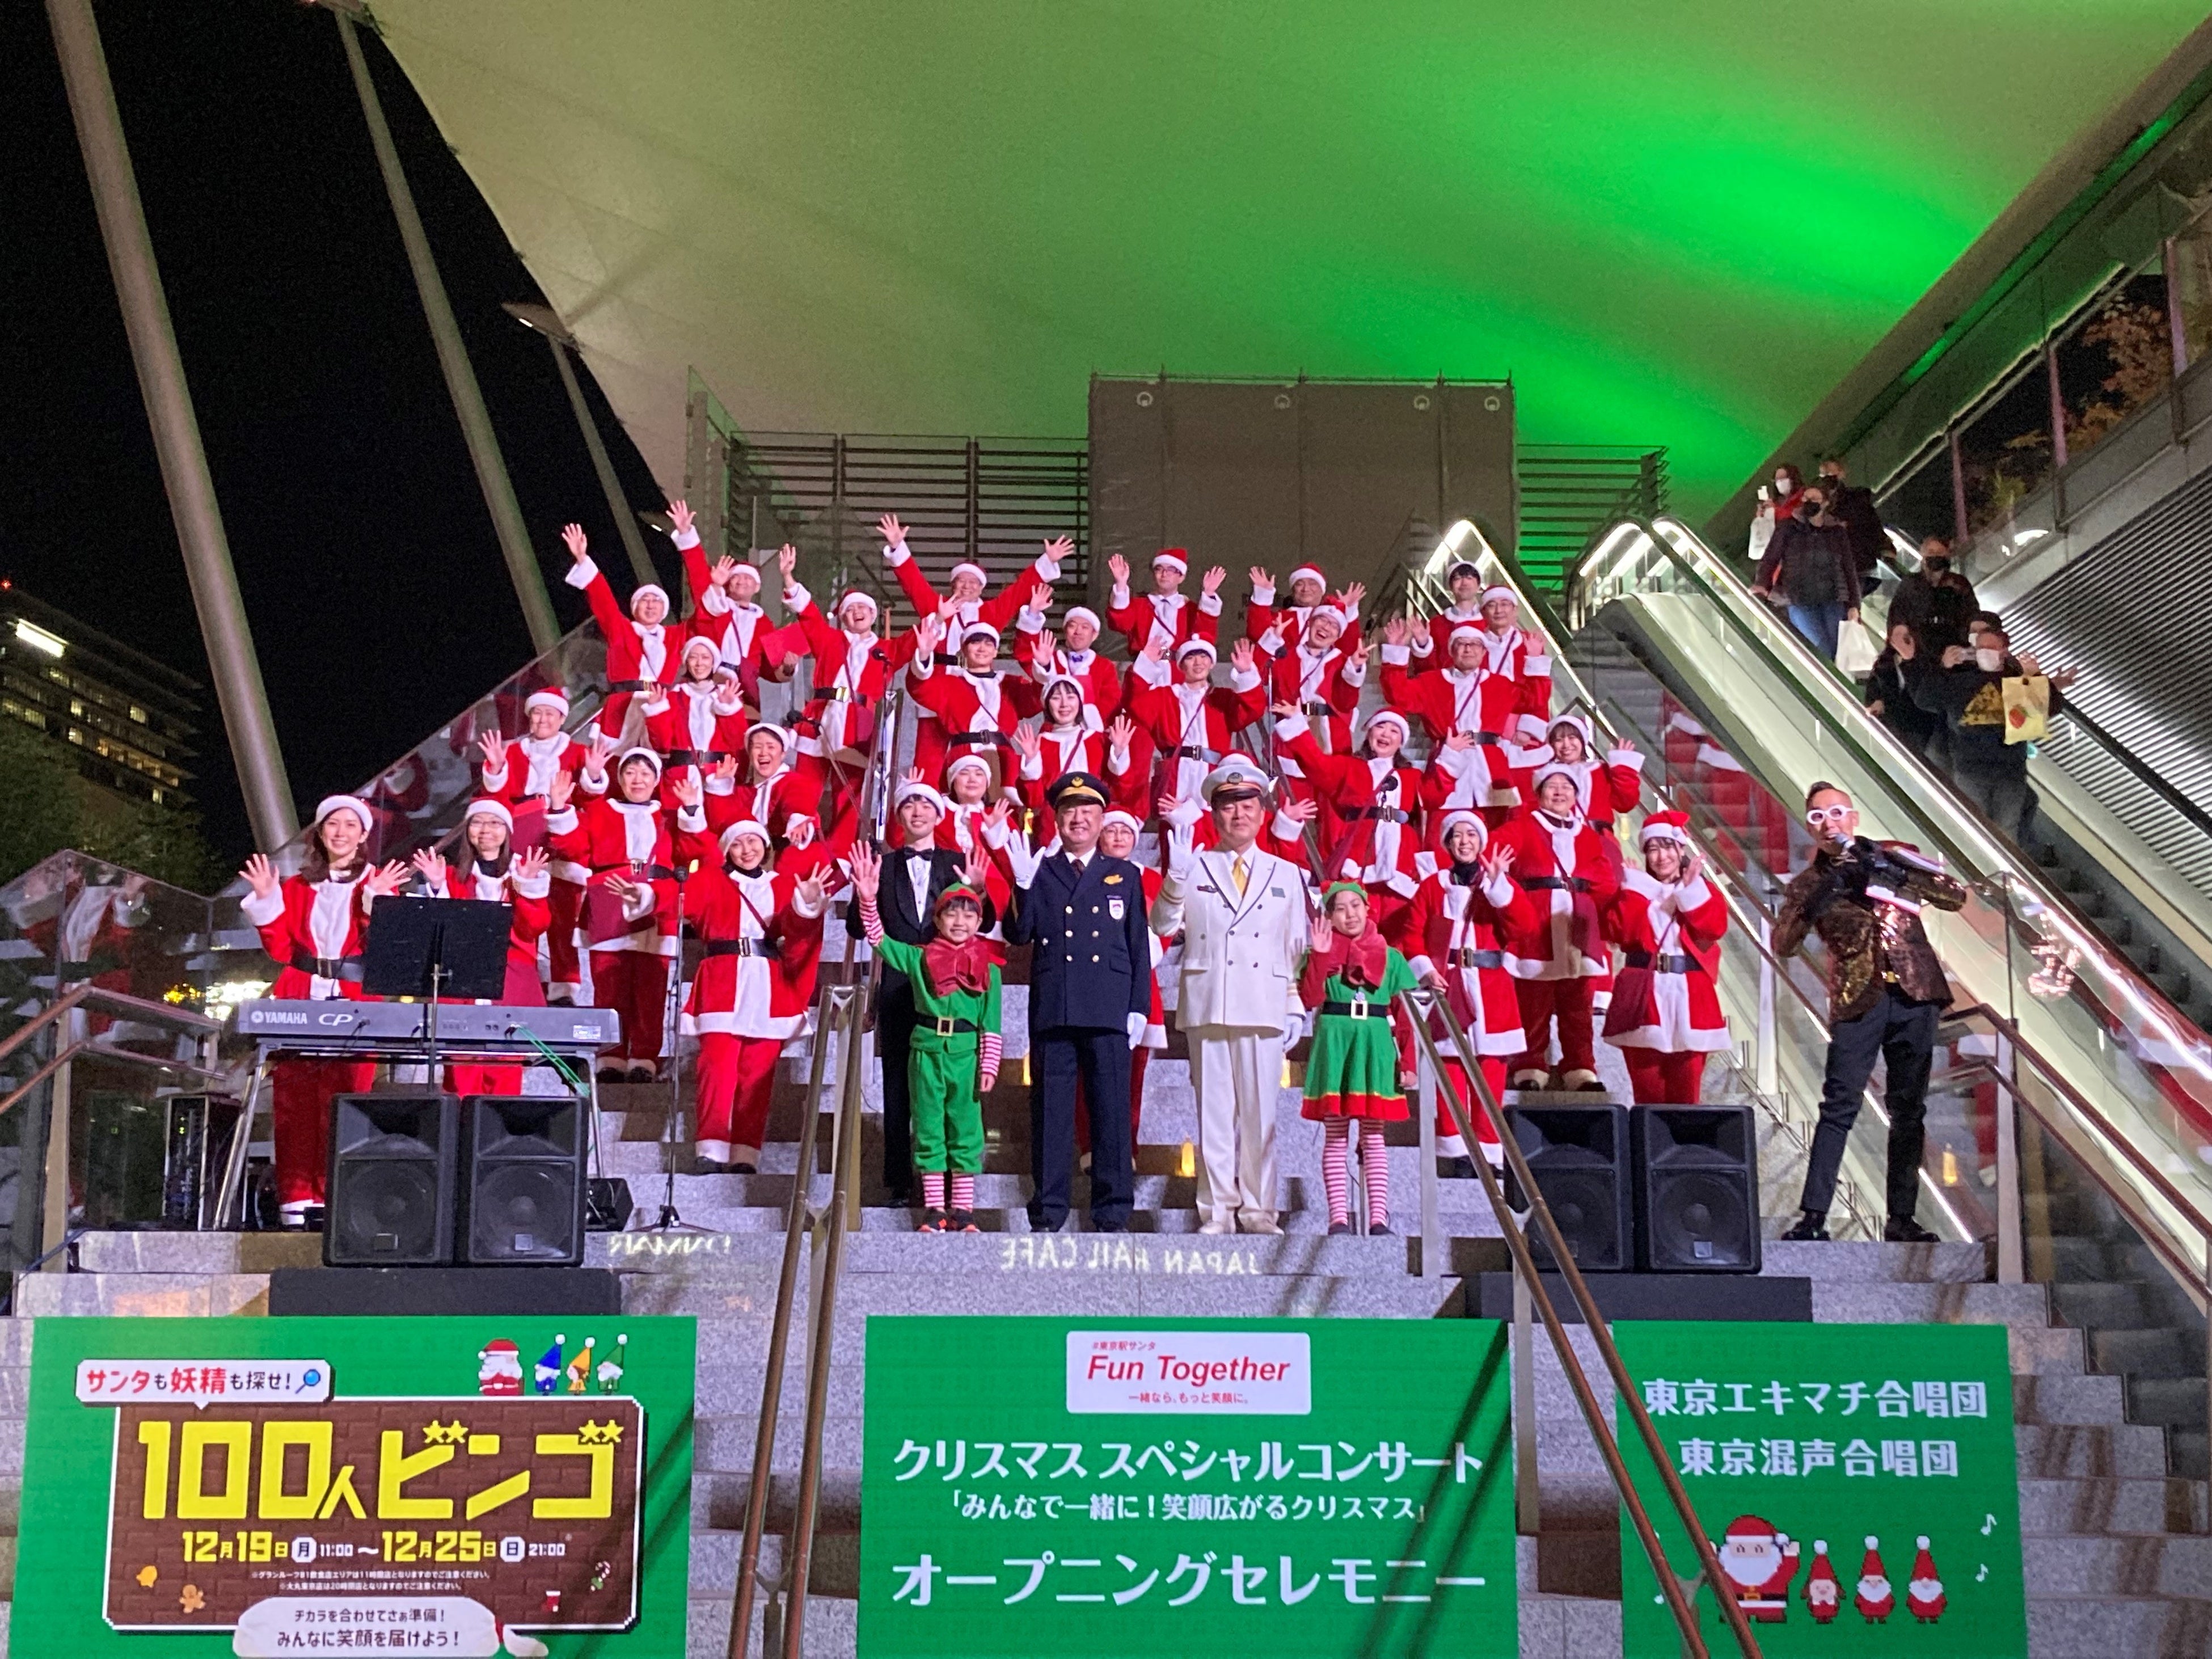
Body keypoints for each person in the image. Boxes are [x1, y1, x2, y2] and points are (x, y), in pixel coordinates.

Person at [1774, 783, 1966, 1243]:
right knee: (1840, 1104)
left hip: (1915, 992)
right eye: (1818, 816)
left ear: (1854, 817)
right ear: (1810, 827)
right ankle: (1814, 1215)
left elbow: (1953, 896)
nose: (1830, 823)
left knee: (1909, 1108)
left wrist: (1886, 866)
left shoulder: (1892, 855)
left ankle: (1902, 1218)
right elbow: (1784, 943)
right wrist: (1824, 892)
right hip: (1859, 998)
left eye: (1837, 812)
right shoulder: (1808, 882)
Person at [1151, 757, 1307, 1235]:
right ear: (1214, 812)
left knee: (1261, 1117)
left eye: (1247, 804)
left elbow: (1295, 947)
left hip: (1263, 1001)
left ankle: (1259, 1210)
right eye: (1228, 805)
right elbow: (1161, 925)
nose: (1238, 814)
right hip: (1210, 999)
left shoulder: (1286, 872)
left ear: (1262, 811)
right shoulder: (1194, 864)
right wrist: (1175, 880)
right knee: (1214, 1115)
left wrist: (1294, 1004)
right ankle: (1217, 1210)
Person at [238, 796, 407, 1226]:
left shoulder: (376, 882)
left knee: (346, 1103)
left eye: (351, 825)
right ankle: (296, 1201)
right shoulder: (297, 886)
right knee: (293, 1104)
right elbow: (280, 950)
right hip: (300, 995)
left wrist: (377, 902)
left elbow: (385, 950)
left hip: (355, 999)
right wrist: (267, 901)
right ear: (319, 832)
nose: (341, 832)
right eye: (333, 824)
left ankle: (338, 1199)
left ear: (364, 835)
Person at [1003, 772, 1150, 1233]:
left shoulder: (1125, 874)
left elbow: (1137, 946)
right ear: (1057, 819)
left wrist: (1139, 1006)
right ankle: (1049, 1209)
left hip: (1108, 1006)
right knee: (1051, 1113)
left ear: (1102, 820)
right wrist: (1022, 884)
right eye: (1070, 810)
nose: (1079, 818)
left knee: (1111, 1112)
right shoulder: (1040, 870)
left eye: (1088, 811)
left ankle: (1113, 1208)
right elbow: (1019, 933)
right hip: (1057, 1006)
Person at [849, 780, 994, 1206]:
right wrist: (864, 894)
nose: (917, 812)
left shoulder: (957, 862)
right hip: (899, 982)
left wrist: (980, 889)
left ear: (939, 814)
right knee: (898, 1085)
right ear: (898, 816)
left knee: (956, 1097)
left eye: (926, 805)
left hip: (950, 988)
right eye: (909, 805)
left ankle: (953, 1186)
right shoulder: (883, 864)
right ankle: (899, 1180)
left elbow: (983, 923)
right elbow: (859, 929)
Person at [673, 820, 829, 1174]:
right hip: (722, 982)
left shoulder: (783, 884)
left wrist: (806, 906)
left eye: (753, 842)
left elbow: (797, 931)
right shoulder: (711, 879)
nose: (747, 850)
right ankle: (711, 1147)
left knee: (758, 1075)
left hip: (767, 985)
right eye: (738, 843)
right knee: (716, 1067)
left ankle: (746, 1151)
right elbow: (677, 901)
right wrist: (646, 895)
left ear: (766, 847)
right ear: (727, 850)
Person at [1399, 811, 1533, 1175]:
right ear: (1447, 843)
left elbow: (1524, 927)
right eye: (1457, 835)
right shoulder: (1433, 886)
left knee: (1491, 1072)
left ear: (1482, 842)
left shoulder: (1497, 884)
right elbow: (1412, 933)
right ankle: (1457, 1150)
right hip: (1448, 982)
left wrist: (1500, 885)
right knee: (1451, 1067)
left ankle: (1489, 1150)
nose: (1464, 842)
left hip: (1491, 986)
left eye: (1471, 835)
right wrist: (1426, 969)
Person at [543, 745, 685, 1082]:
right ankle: (611, 1056)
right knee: (609, 986)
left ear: (656, 780)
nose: (638, 780)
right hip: (608, 900)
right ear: (620, 778)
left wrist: (693, 810)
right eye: (630, 772)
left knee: (651, 989)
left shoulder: (671, 818)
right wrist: (560, 809)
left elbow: (695, 850)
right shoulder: (600, 812)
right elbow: (574, 847)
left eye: (646, 773)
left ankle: (644, 1058)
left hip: (656, 902)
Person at [411, 799, 554, 1097]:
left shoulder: (523, 873)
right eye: (477, 822)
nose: (485, 830)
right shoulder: (453, 876)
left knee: (505, 1078)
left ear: (508, 831)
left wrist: (526, 887)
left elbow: (533, 927)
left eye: (494, 823)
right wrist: (437, 887)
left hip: (510, 981)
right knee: (460, 1077)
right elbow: (443, 929)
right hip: (463, 982)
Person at [1299, 882, 1419, 1235]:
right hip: (1335, 1045)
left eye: (1356, 906)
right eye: (1340, 909)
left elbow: (1407, 1015)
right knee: (1336, 1135)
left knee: (1374, 1135)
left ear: (1368, 909)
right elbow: (1309, 998)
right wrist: (1320, 956)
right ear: (1329, 916)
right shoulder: (1320, 952)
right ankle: (1338, 1218)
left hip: (1375, 1045)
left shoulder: (1391, 957)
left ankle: (1378, 1218)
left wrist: (1408, 1062)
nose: (1350, 914)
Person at [1495, 763, 1618, 1090]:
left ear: (1576, 795)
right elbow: (1491, 854)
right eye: (1552, 786)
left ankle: (1580, 1067)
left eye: (1567, 786)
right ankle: (1529, 1066)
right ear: (1539, 794)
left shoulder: (1588, 836)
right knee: (1533, 1003)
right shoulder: (1522, 827)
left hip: (1578, 926)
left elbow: (1605, 881)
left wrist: (1591, 909)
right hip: (1536, 924)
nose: (1560, 792)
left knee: (1578, 1006)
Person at [1601, 812, 1729, 1104]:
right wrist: (1634, 893)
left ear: (1681, 849)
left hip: (1690, 997)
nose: (1662, 857)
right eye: (1653, 849)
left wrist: (1692, 892)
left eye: (1668, 847)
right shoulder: (1636, 890)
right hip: (1645, 998)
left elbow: (1713, 929)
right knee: (1648, 1097)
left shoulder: (1701, 889)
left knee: (1687, 1098)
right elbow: (1621, 934)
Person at [1902, 624, 2073, 842]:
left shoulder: (2016, 680)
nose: (1984, 652)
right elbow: (1925, 699)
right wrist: (1943, 668)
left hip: (2010, 770)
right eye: (1981, 647)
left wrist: (2035, 677)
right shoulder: (1962, 680)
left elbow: (2051, 707)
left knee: (2007, 831)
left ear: (2004, 651)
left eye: (1991, 648)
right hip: (1969, 769)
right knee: (1972, 829)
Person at [475, 687, 592, 1003]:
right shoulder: (513, 752)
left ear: (562, 718)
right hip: (523, 837)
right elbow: (497, 800)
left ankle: (565, 990)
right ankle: (521, 978)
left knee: (564, 919)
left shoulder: (578, 753)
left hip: (562, 838)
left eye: (550, 714)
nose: (542, 720)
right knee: (523, 912)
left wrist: (593, 776)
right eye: (537, 713)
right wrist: (496, 770)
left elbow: (589, 799)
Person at [558, 521, 700, 742]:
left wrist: (690, 543)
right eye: (645, 600)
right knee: (612, 760)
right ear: (635, 608)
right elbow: (604, 601)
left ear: (664, 610)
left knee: (659, 758)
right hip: (621, 710)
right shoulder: (622, 630)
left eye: (656, 601)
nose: (650, 605)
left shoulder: (676, 636)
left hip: (662, 706)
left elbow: (706, 613)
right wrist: (583, 559)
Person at [1121, 635, 1268, 807]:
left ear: (1212, 663)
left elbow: (1253, 710)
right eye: (1190, 658)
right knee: (1172, 821)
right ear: (1181, 665)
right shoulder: (1165, 697)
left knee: (1212, 820)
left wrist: (1246, 673)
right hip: (1175, 776)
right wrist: (1145, 667)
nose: (1198, 663)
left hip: (1212, 773)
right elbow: (1135, 704)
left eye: (1204, 656)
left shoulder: (1222, 698)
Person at [1751, 480, 1862, 658]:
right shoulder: (1788, 527)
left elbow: (1849, 569)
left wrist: (1854, 605)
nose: (1808, 502)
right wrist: (1761, 584)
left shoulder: (1837, 533)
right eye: (1806, 498)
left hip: (1833, 598)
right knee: (1821, 650)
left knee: (1839, 651)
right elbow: (1771, 558)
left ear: (1825, 503)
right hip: (1799, 599)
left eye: (1814, 498)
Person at [1105, 548, 1225, 656]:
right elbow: (1120, 625)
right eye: (1159, 569)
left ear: (1181, 577)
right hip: (1143, 665)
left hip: (1178, 668)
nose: (1164, 574)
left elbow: (1205, 636)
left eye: (1171, 570)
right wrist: (1121, 584)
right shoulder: (1140, 605)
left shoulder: (1190, 609)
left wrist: (1209, 594)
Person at [1887, 537, 1977, 656]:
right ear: (1924, 556)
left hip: (1952, 649)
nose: (1935, 556)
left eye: (1940, 552)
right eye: (1931, 552)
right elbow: (1898, 612)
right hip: (1919, 650)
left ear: (1947, 555)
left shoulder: (1959, 584)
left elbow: (1971, 613)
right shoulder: (1911, 583)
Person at [1863, 624, 1941, 761]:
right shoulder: (1884, 663)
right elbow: (1873, 691)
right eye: (1896, 636)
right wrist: (1878, 702)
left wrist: (1909, 661)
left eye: (1906, 637)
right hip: (1891, 729)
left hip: (1919, 731)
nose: (1901, 642)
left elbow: (1925, 700)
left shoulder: (1927, 664)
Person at [1815, 457, 1888, 592]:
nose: (1827, 479)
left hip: (1859, 565)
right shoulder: (1818, 506)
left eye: (1830, 473)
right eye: (1823, 475)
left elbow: (1872, 527)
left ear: (1841, 473)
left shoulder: (1857, 499)